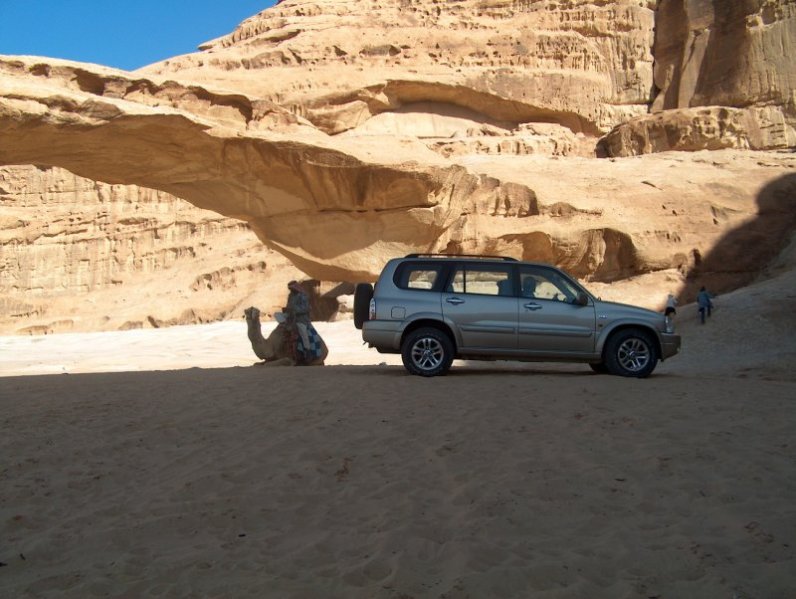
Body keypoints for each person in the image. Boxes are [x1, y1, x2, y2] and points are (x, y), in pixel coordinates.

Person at [284, 280, 312, 361]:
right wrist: (287, 310)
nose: (291, 290)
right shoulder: (291, 296)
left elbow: (306, 308)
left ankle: (308, 351)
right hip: (291, 318)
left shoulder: (302, 296)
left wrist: (294, 310)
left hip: (301, 319)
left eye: (292, 288)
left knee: (303, 333)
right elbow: (289, 305)